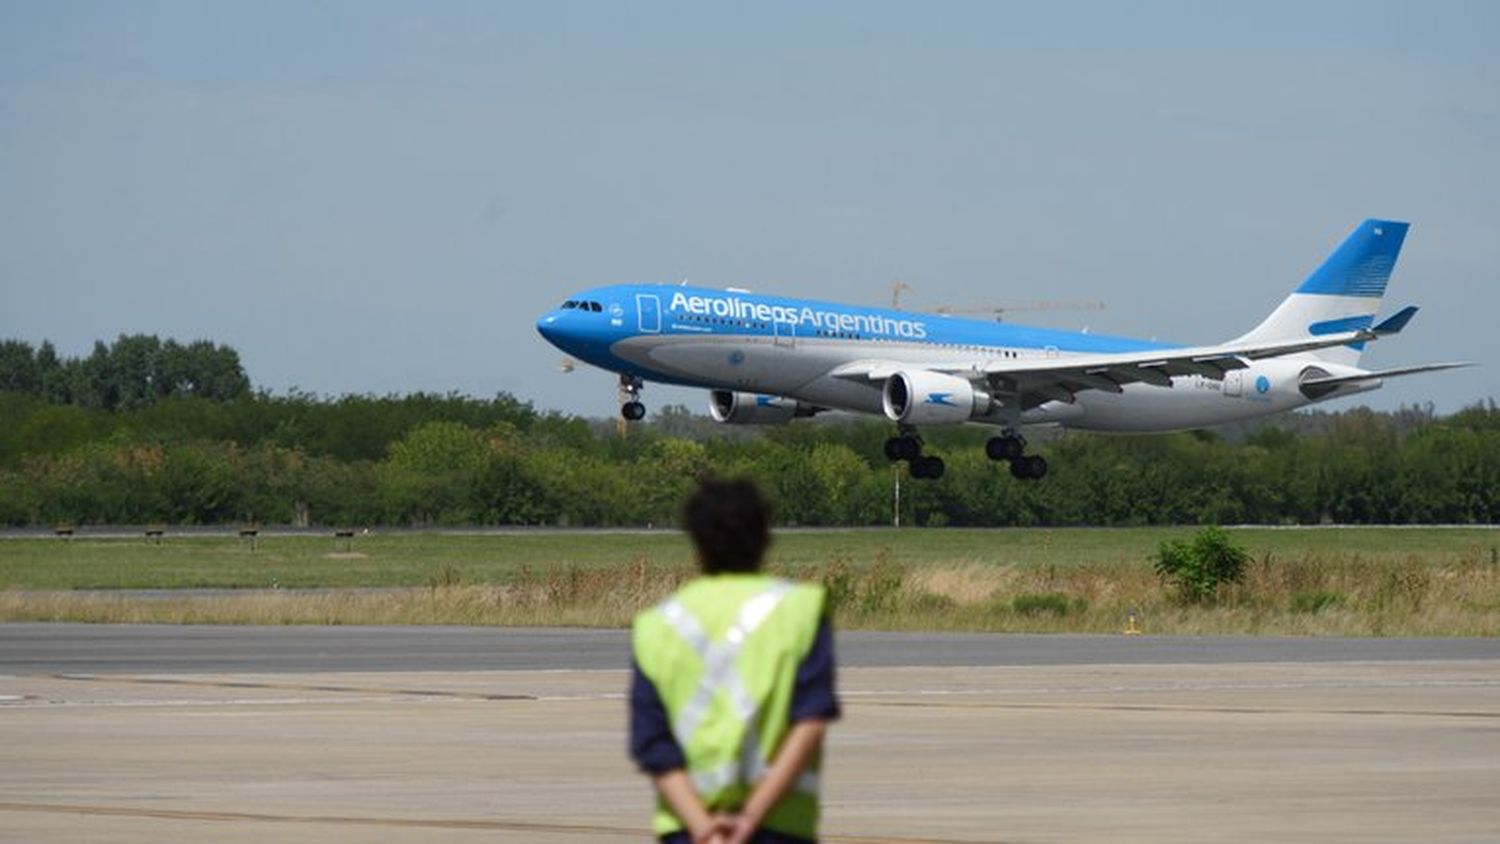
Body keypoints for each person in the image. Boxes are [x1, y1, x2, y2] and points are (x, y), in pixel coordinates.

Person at [630, 478, 840, 844]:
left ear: (694, 543)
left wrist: (702, 827)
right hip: (777, 824)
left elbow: (653, 745)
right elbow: (810, 722)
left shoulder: (656, 625)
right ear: (766, 538)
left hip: (689, 830)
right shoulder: (800, 611)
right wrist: (749, 820)